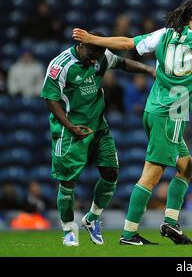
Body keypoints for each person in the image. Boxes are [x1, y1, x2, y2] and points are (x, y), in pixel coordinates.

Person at [73, 0, 192, 245]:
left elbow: (126, 43)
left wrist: (93, 38)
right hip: (169, 115)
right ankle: (129, 234)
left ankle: (170, 223)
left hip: (153, 110)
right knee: (151, 175)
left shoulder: (163, 35)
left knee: (187, 167)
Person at [40, 32, 155, 246]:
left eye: (98, 56)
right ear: (81, 44)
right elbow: (51, 99)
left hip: (99, 127)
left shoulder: (99, 55)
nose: (95, 61)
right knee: (68, 182)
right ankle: (68, 229)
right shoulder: (60, 65)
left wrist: (148, 69)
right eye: (92, 54)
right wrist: (70, 126)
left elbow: (121, 63)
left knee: (111, 173)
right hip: (70, 131)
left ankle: (92, 219)